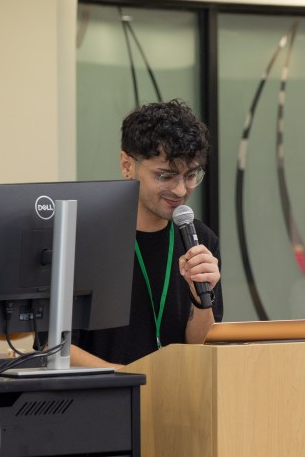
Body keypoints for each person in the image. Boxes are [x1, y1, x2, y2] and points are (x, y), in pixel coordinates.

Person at [71, 99, 223, 368]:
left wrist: (201, 302)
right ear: (127, 165)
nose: (180, 190)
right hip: (105, 391)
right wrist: (132, 380)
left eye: (190, 176)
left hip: (175, 391)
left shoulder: (200, 240)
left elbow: (201, 349)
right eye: (165, 176)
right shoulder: (83, 238)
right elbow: (54, 348)